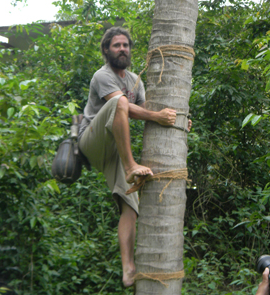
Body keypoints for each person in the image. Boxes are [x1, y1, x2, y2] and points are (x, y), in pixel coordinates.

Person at [78, 27, 192, 287]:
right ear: (106, 50)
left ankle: (128, 268)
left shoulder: (134, 81)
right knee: (120, 103)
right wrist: (158, 116)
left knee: (130, 206)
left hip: (114, 148)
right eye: (116, 45)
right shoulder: (102, 75)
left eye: (126, 45)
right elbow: (128, 108)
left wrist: (177, 122)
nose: (122, 49)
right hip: (92, 140)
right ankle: (131, 165)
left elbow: (146, 109)